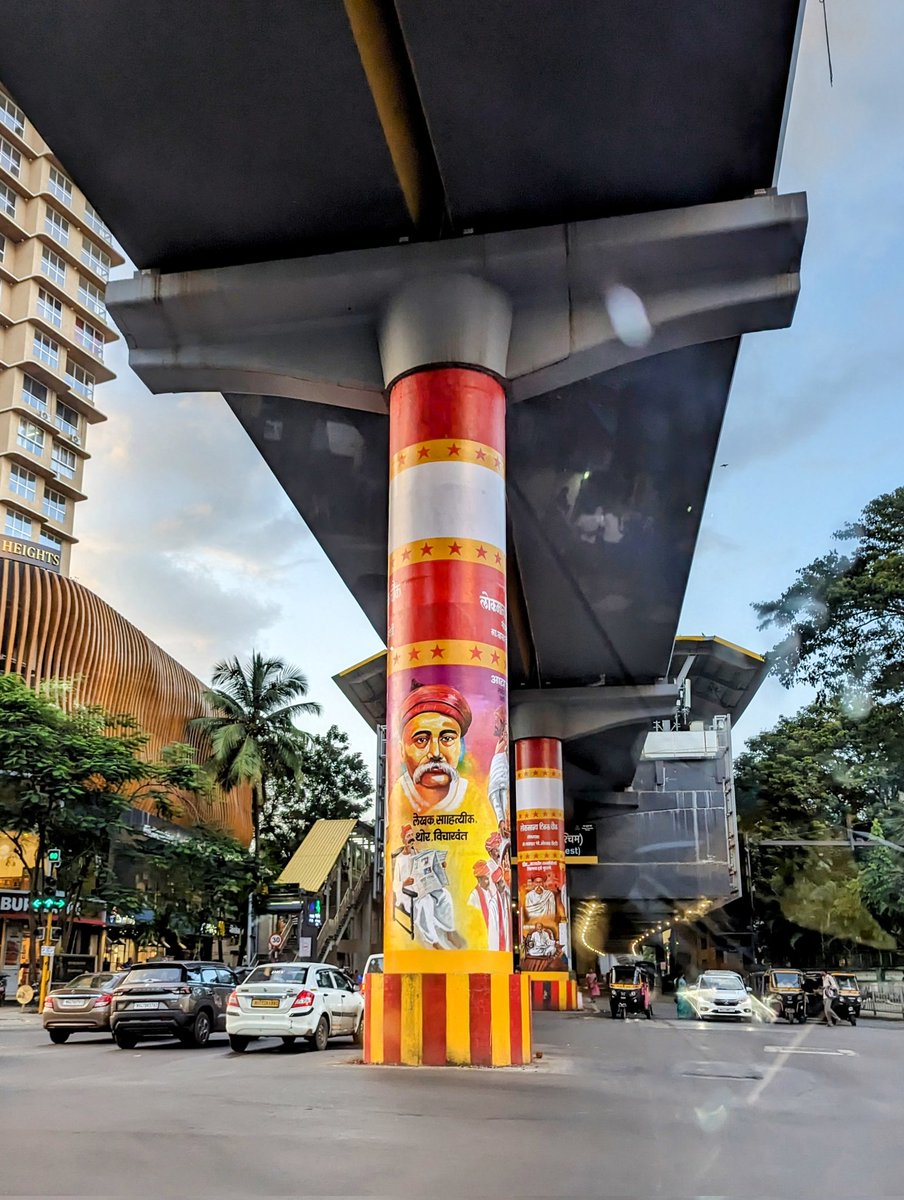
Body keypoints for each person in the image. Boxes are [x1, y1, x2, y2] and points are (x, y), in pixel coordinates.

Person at [392, 823, 461, 950]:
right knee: (426, 901)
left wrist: (440, 865)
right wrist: (404, 883)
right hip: (409, 893)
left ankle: (449, 930)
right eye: (408, 836)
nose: (411, 838)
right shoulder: (400, 860)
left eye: (412, 835)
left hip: (424, 887)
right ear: (403, 839)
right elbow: (395, 883)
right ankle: (434, 940)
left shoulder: (418, 854)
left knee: (445, 895)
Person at [467, 860, 509, 951]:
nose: (488, 882)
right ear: (479, 879)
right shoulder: (474, 896)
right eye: (486, 879)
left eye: (488, 878)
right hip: (483, 936)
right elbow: (473, 919)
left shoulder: (490, 893)